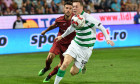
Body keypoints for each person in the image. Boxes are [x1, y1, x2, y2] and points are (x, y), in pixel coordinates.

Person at [54, 0, 115, 84]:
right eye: (73, 7)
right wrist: (62, 36)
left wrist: (107, 38)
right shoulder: (74, 17)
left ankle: (81, 66)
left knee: (73, 72)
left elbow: (101, 27)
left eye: (76, 7)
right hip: (75, 44)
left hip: (86, 49)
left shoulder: (89, 18)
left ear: (81, 7)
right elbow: (71, 28)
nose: (74, 8)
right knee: (64, 64)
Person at [38, 1, 76, 83]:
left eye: (70, 8)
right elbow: (53, 26)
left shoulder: (76, 20)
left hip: (69, 46)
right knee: (49, 57)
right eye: (66, 8)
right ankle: (47, 68)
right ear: (64, 9)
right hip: (59, 42)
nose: (68, 10)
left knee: (62, 65)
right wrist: (45, 31)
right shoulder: (59, 20)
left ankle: (50, 75)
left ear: (72, 10)